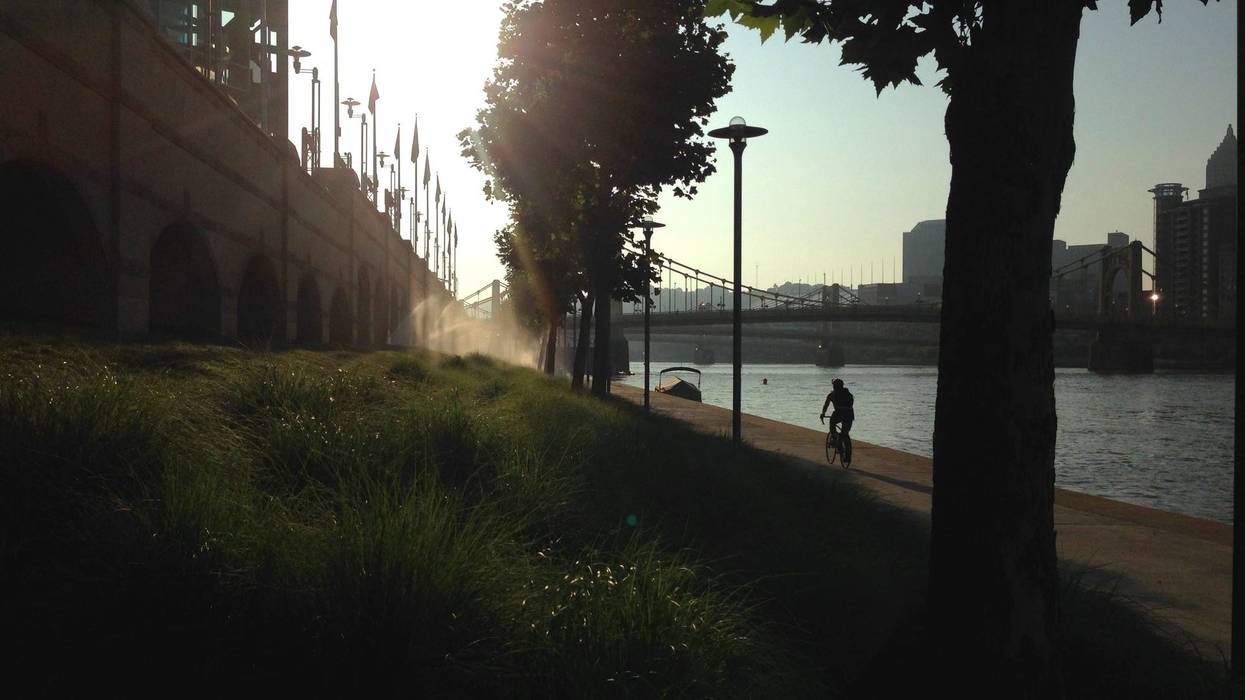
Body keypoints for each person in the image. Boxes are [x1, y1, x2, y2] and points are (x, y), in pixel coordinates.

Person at [819, 378, 854, 447]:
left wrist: (823, 414)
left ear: (834, 386)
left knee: (832, 424)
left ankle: (835, 439)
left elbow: (826, 405)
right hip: (849, 414)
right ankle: (844, 447)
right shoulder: (848, 393)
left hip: (838, 413)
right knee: (845, 432)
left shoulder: (832, 394)